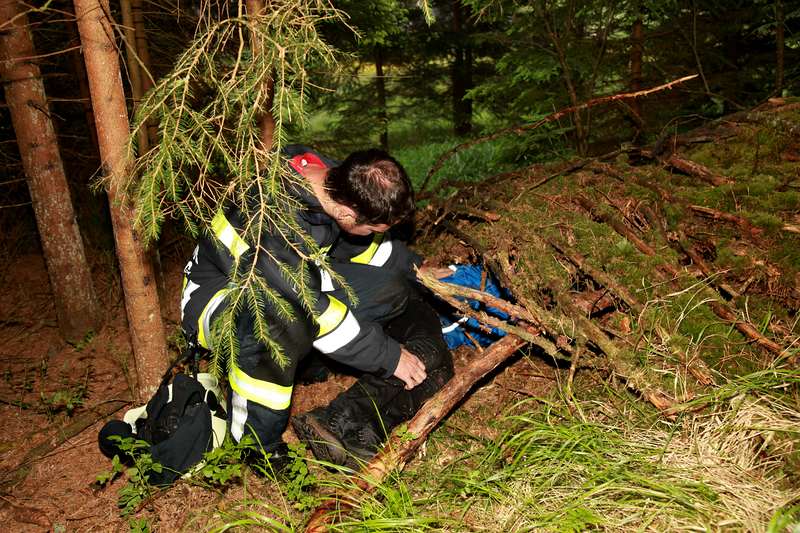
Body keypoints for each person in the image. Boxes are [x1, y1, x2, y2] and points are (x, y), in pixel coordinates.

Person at [180, 144, 453, 469]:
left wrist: (417, 269)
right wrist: (388, 357)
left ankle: (311, 361)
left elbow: (362, 248)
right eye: (372, 228)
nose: (373, 234)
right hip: (222, 302)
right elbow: (313, 309)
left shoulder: (334, 180)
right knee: (282, 324)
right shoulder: (273, 222)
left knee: (391, 289)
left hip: (293, 281)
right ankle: (255, 445)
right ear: (347, 214)